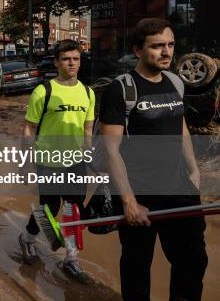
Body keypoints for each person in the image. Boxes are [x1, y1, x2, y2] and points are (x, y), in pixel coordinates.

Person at [100, 18, 206, 300]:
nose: (166, 52)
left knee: (193, 262)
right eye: (157, 46)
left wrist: (194, 172)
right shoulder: (120, 89)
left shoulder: (174, 82)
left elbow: (180, 127)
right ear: (137, 50)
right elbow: (111, 150)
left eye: (170, 45)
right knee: (137, 268)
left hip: (179, 189)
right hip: (140, 193)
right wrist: (129, 201)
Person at [19, 39, 95, 283]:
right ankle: (28, 239)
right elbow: (29, 129)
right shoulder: (44, 91)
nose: (72, 63)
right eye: (66, 59)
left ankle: (71, 259)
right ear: (57, 62)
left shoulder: (88, 92)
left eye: (76, 59)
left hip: (76, 161)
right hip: (48, 160)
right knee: (49, 207)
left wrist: (91, 159)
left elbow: (88, 129)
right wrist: (24, 163)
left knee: (74, 210)